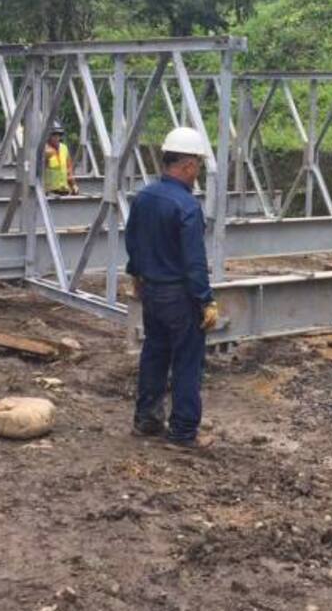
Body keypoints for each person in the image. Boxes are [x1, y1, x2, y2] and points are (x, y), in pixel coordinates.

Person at [125, 126, 221, 450]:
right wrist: (206, 300)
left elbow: (133, 242)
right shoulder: (187, 206)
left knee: (154, 353)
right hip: (179, 296)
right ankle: (182, 433)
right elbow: (194, 261)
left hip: (151, 292)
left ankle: (147, 420)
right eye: (198, 168)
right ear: (189, 166)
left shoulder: (144, 197)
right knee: (187, 361)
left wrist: (137, 276)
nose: (198, 175)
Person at [43, 123, 77, 196]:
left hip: (64, 190)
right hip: (49, 192)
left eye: (58, 135)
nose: (56, 137)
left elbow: (68, 170)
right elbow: (39, 172)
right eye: (54, 135)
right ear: (48, 136)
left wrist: (73, 185)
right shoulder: (44, 150)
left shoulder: (64, 148)